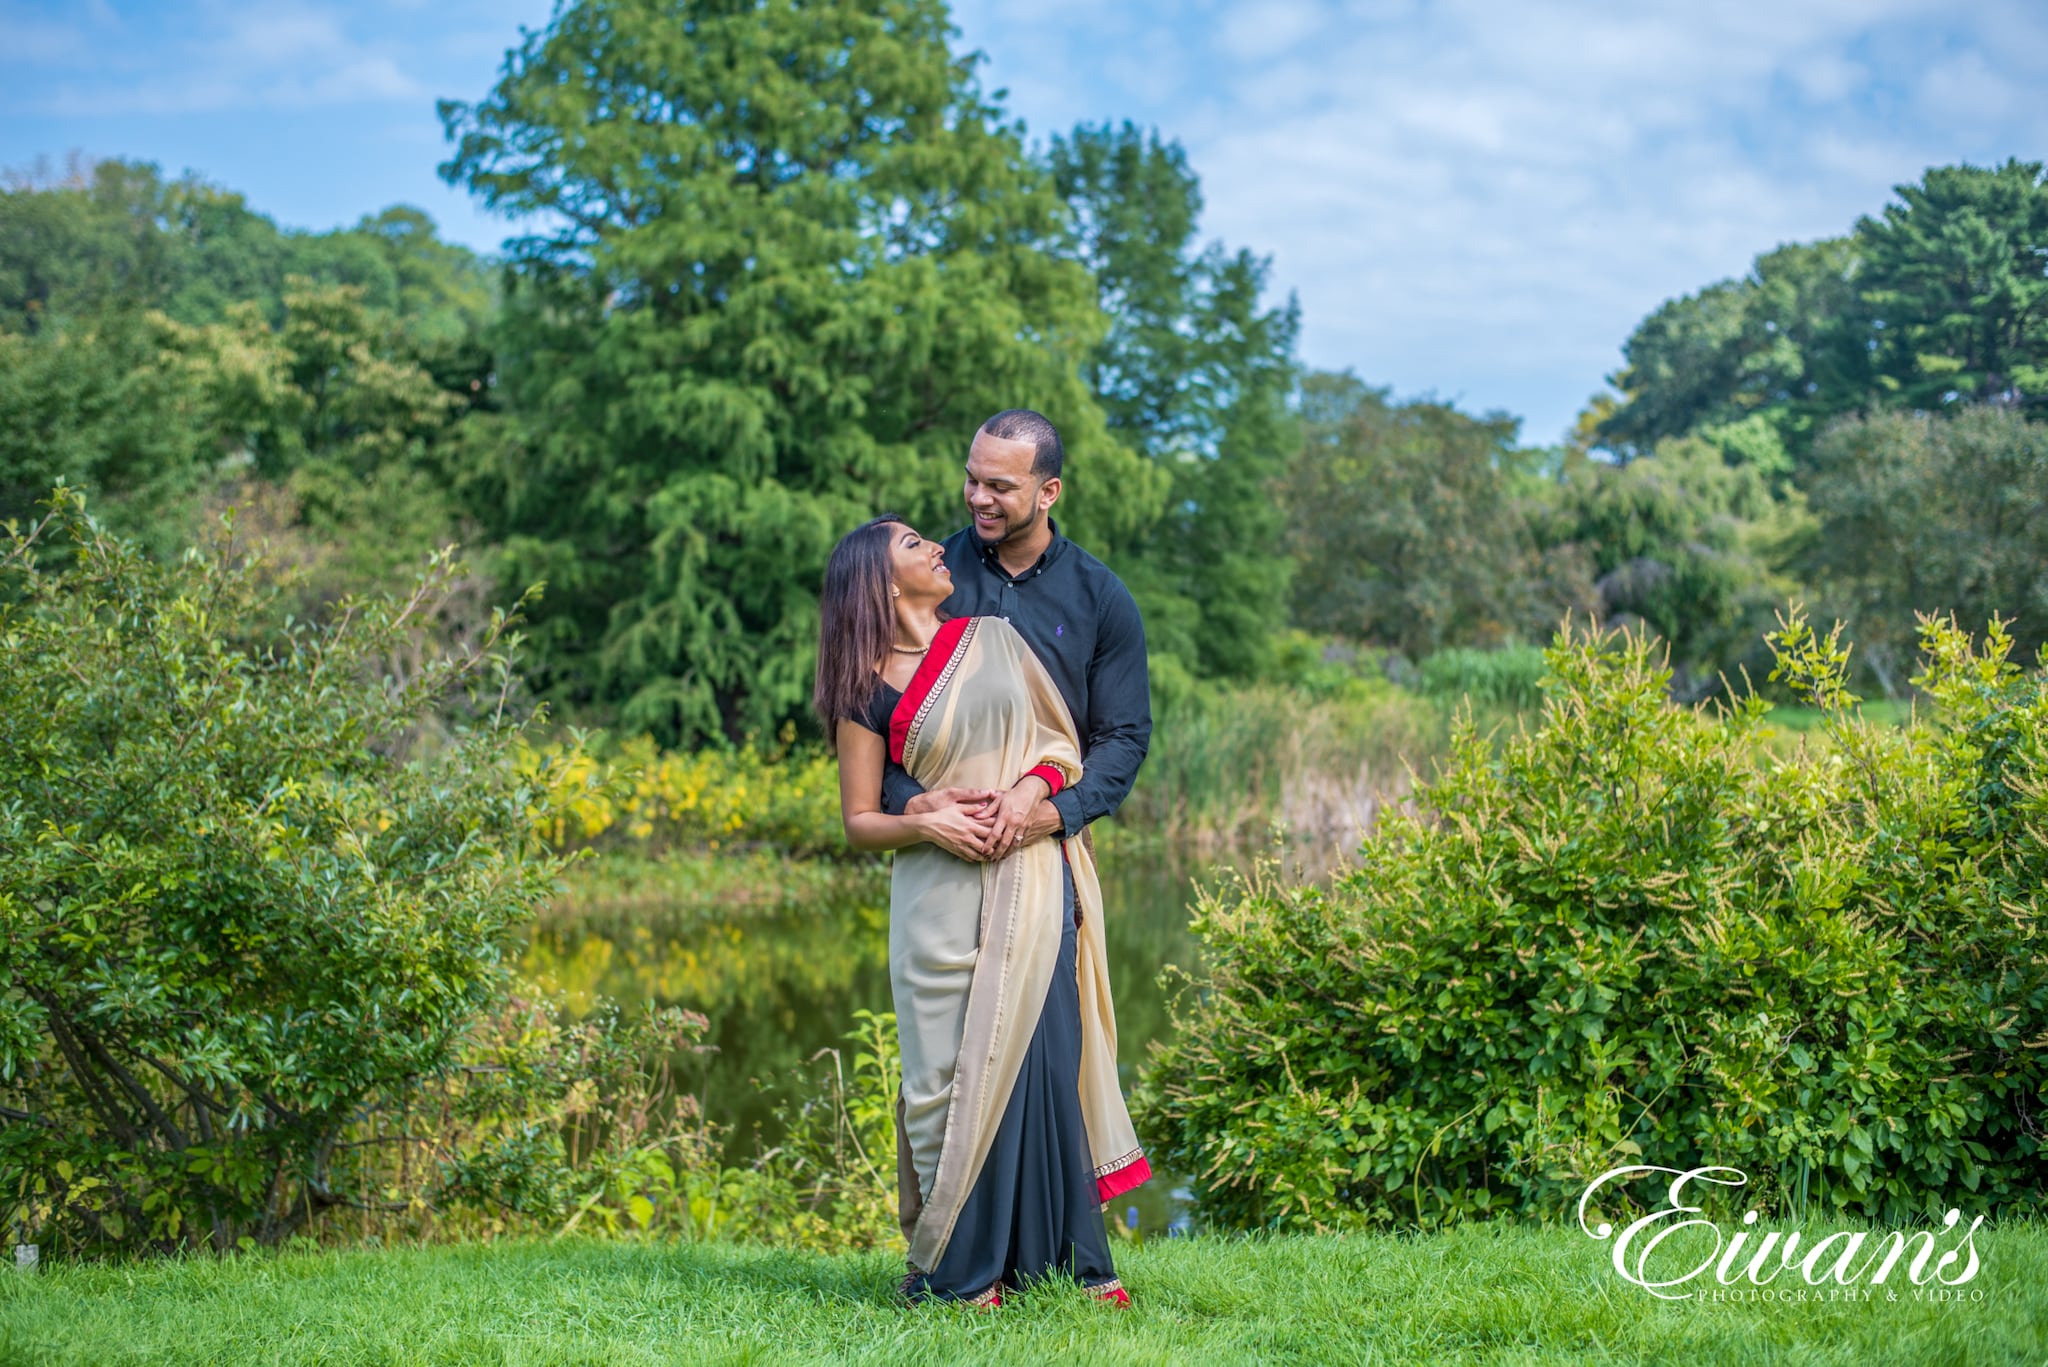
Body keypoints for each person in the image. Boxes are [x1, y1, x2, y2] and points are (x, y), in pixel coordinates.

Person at [814, 505, 1150, 1310]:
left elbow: (1060, 741)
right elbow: (860, 821)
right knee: (948, 1077)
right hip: (935, 894)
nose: (939, 544)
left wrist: (1034, 791)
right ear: (880, 580)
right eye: (912, 544)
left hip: (1033, 873)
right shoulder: (860, 688)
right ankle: (959, 1269)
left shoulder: (991, 638)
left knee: (1041, 1059)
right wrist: (924, 817)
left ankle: (1069, 1262)